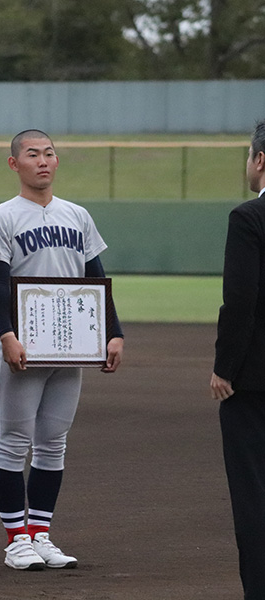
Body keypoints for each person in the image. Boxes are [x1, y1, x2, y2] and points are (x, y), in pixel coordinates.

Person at [0, 129, 124, 570]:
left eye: (49, 154)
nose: (42, 161)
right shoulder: (2, 217)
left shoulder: (77, 216)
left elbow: (95, 277)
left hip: (70, 345)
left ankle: (40, 532)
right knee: (12, 443)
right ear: (14, 164)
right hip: (23, 346)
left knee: (53, 444)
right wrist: (6, 333)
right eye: (32, 154)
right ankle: (16, 539)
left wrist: (112, 332)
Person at [210, 119, 265, 600]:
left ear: (260, 159)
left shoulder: (249, 217)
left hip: (255, 384)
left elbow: (241, 302)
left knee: (254, 495)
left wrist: (225, 367)